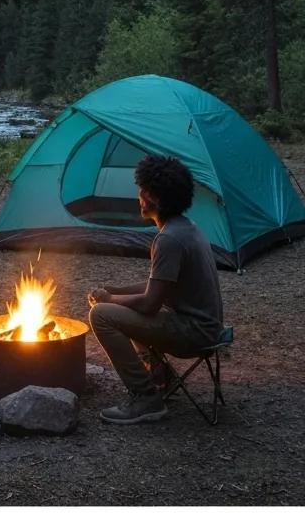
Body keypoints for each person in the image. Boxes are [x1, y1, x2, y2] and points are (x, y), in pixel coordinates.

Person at [88, 154, 225, 425]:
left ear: (155, 199)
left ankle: (146, 398)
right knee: (117, 306)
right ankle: (160, 375)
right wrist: (116, 290)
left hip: (195, 333)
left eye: (143, 190)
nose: (138, 196)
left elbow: (150, 303)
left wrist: (110, 299)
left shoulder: (169, 240)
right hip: (207, 327)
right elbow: (159, 286)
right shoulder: (185, 228)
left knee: (102, 315)